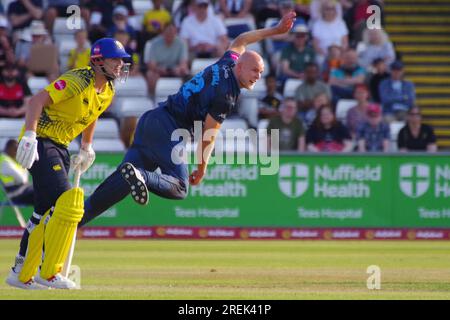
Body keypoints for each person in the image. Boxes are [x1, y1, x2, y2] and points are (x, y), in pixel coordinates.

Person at [78, 12, 297, 226]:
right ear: (240, 66)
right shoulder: (227, 94)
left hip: (151, 120)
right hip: (170, 131)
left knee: (120, 183)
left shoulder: (227, 62)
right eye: (255, 71)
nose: (258, 77)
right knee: (180, 188)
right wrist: (201, 169)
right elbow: (208, 136)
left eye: (261, 73)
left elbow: (241, 39)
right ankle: (141, 176)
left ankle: (77, 218)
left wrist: (276, 30)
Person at [5, 38, 131, 290]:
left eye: (122, 60)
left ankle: (20, 272)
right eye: (115, 59)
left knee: (41, 212)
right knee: (67, 201)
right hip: (40, 140)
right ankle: (49, 271)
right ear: (97, 61)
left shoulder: (107, 91)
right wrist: (29, 135)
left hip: (60, 146)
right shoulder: (78, 79)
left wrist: (87, 145)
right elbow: (35, 101)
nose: (120, 64)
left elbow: (92, 116)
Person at [144, 23, 189, 97]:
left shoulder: (182, 43)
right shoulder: (154, 43)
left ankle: (185, 99)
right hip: (159, 70)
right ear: (163, 33)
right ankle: (152, 99)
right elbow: (151, 64)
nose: (170, 35)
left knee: (186, 72)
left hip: (175, 69)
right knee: (150, 75)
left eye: (172, 32)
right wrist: (158, 69)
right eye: (168, 32)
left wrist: (179, 68)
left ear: (176, 33)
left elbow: (183, 63)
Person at [0, 139, 34, 205]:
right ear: (8, 149)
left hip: (22, 190)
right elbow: (23, 180)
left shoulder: (12, 160)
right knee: (41, 193)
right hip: (15, 193)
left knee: (42, 190)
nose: (16, 152)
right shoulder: (4, 161)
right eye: (15, 149)